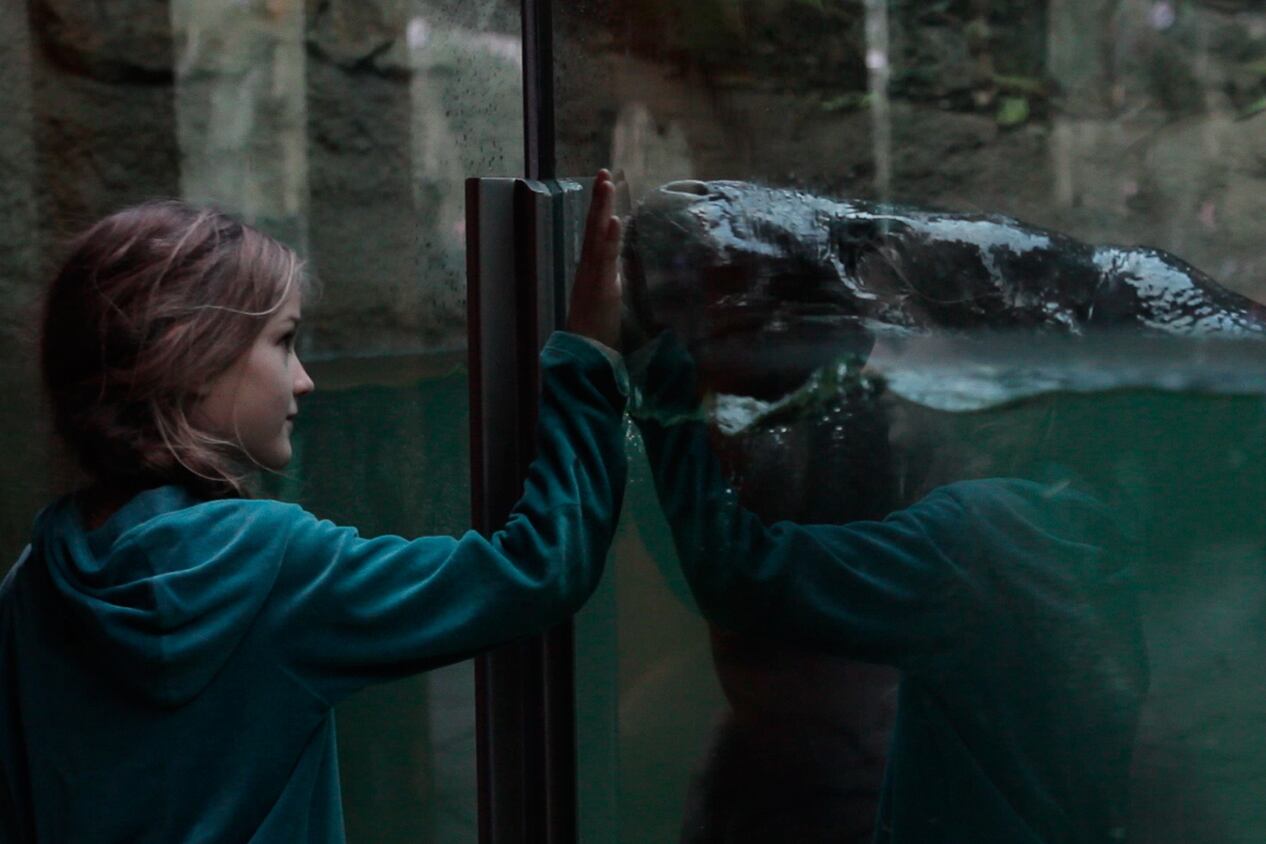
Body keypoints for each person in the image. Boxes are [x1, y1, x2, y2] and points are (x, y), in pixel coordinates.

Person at [0, 171, 626, 843]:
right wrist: (589, 355)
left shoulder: (33, 586)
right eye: (283, 340)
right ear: (194, 357)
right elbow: (537, 570)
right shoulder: (271, 568)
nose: (305, 379)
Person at [629, 332, 1149, 843]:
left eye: (897, 339)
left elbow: (737, 572)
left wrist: (654, 364)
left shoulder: (972, 538)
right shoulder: (1069, 521)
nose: (870, 367)